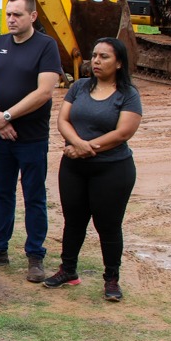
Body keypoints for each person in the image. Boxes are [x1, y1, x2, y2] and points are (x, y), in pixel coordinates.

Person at [0, 0, 63, 282]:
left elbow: (44, 92)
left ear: (32, 16)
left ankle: (35, 255)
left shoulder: (46, 46)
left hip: (31, 137)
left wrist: (7, 116)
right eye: (8, 14)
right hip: (1, 136)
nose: (11, 19)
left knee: (34, 196)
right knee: (2, 194)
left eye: (17, 15)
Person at [44, 37, 142, 301]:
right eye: (95, 55)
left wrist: (86, 148)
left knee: (108, 225)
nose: (96, 61)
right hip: (74, 167)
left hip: (112, 169)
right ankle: (68, 270)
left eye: (104, 57)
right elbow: (63, 120)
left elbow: (123, 133)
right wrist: (77, 145)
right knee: (73, 221)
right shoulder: (79, 87)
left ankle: (111, 279)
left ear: (119, 63)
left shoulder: (128, 95)